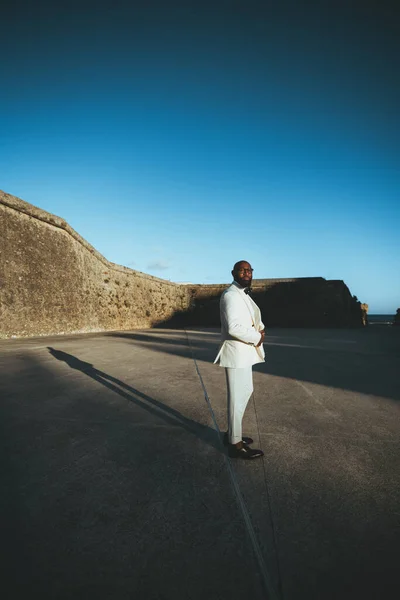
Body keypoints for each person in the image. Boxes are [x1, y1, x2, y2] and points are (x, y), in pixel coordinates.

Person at [214, 260, 265, 459]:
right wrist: (257, 337)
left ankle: (233, 434)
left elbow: (251, 318)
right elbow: (233, 328)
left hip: (244, 354)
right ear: (234, 273)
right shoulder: (229, 295)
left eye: (249, 270)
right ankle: (235, 444)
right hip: (236, 354)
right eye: (242, 270)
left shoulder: (242, 294)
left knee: (245, 391)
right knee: (236, 398)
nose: (247, 273)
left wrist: (261, 329)